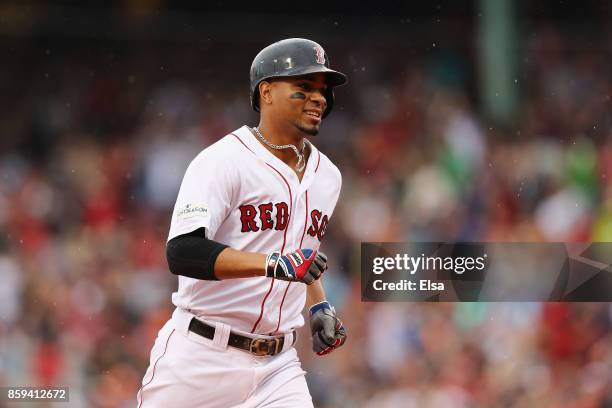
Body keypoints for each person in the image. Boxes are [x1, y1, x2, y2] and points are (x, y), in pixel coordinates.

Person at [137, 38, 348, 408]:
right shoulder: (222, 160)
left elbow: (303, 257)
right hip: (200, 357)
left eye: (323, 90)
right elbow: (183, 252)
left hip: (278, 367)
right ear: (266, 92)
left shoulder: (328, 176)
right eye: (304, 88)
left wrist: (319, 306)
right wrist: (271, 265)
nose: (319, 98)